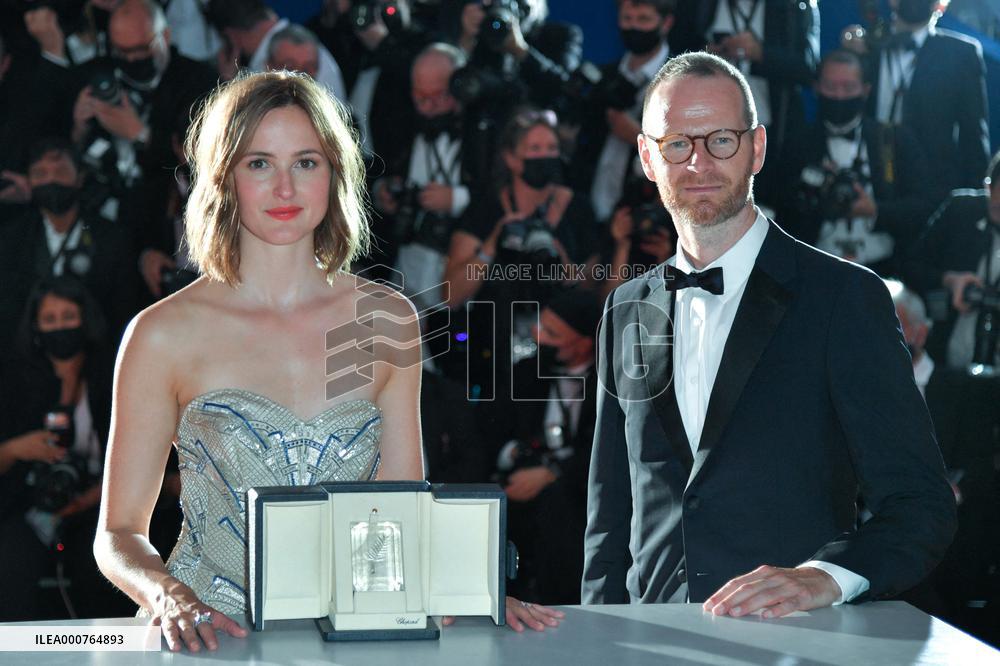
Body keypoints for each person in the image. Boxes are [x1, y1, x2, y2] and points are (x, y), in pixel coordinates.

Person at [94, 70, 560, 653]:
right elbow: (117, 533)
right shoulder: (161, 333)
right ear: (223, 177)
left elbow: (400, 507)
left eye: (306, 162)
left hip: (358, 637)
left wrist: (464, 589)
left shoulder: (389, 318)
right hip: (212, 638)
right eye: (259, 163)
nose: (285, 188)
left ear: (336, 172)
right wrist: (167, 595)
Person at [582, 52, 956, 615]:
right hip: (649, 642)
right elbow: (609, 520)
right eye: (678, 143)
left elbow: (920, 504)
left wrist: (827, 577)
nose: (698, 162)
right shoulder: (626, 309)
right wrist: (595, 639)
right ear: (647, 157)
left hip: (793, 643)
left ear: (757, 147)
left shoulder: (842, 300)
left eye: (721, 141)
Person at [0, 276, 130, 621]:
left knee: (103, 567)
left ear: (85, 319)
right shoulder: (12, 382)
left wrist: (95, 497)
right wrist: (16, 448)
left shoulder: (114, 372)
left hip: (101, 504)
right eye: (50, 320)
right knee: (12, 560)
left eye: (68, 317)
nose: (61, 327)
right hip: (27, 506)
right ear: (36, 328)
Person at [779, 49, 934, 276]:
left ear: (866, 90)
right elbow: (779, 210)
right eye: (831, 87)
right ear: (816, 88)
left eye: (849, 87)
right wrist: (814, 194)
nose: (839, 96)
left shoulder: (893, 141)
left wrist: (876, 210)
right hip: (815, 272)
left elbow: (924, 207)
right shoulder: (798, 143)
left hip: (884, 271)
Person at [857, 0, 989, 201]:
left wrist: (975, 201)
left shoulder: (961, 54)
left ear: (940, 4)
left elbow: (974, 135)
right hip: (869, 178)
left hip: (932, 188)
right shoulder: (868, 44)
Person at [902, 151, 1000, 372]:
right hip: (945, 363)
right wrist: (949, 281)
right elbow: (909, 266)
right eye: (997, 207)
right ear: (988, 188)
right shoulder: (960, 211)